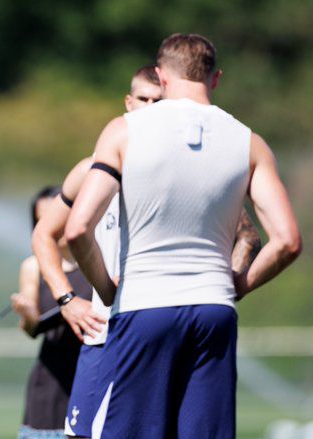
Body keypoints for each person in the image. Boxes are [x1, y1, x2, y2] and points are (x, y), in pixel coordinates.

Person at [64, 33, 301, 438]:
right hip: (214, 310)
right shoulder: (249, 142)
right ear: (216, 78)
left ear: (161, 76)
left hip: (144, 307)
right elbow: (288, 241)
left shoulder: (124, 131)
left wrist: (105, 288)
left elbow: (77, 228)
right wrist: (238, 285)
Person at [33, 64, 261, 438]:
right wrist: (67, 299)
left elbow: (249, 237)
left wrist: (225, 285)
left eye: (160, 100)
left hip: (161, 324)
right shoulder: (92, 169)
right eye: (144, 99)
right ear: (128, 102)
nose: (152, 107)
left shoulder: (188, 172)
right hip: (104, 334)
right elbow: (45, 233)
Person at [11, 186, 93, 439]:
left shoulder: (100, 259)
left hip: (94, 371)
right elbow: (30, 329)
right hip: (51, 381)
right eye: (42, 221)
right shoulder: (33, 266)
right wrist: (28, 314)